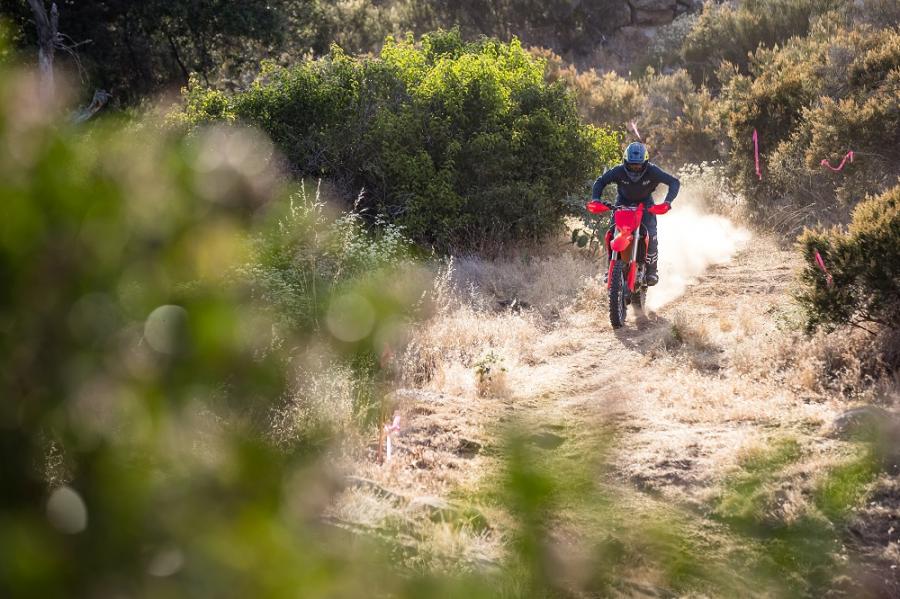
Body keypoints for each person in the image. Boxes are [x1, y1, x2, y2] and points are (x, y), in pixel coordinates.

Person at [590, 142, 679, 286]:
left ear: (645, 162)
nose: (635, 168)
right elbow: (601, 182)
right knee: (612, 234)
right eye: (632, 165)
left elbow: (674, 182)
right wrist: (596, 199)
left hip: (645, 206)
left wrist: (667, 202)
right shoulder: (618, 171)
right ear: (625, 161)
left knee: (651, 236)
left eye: (638, 165)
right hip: (622, 204)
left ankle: (651, 271)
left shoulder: (653, 171)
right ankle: (610, 268)